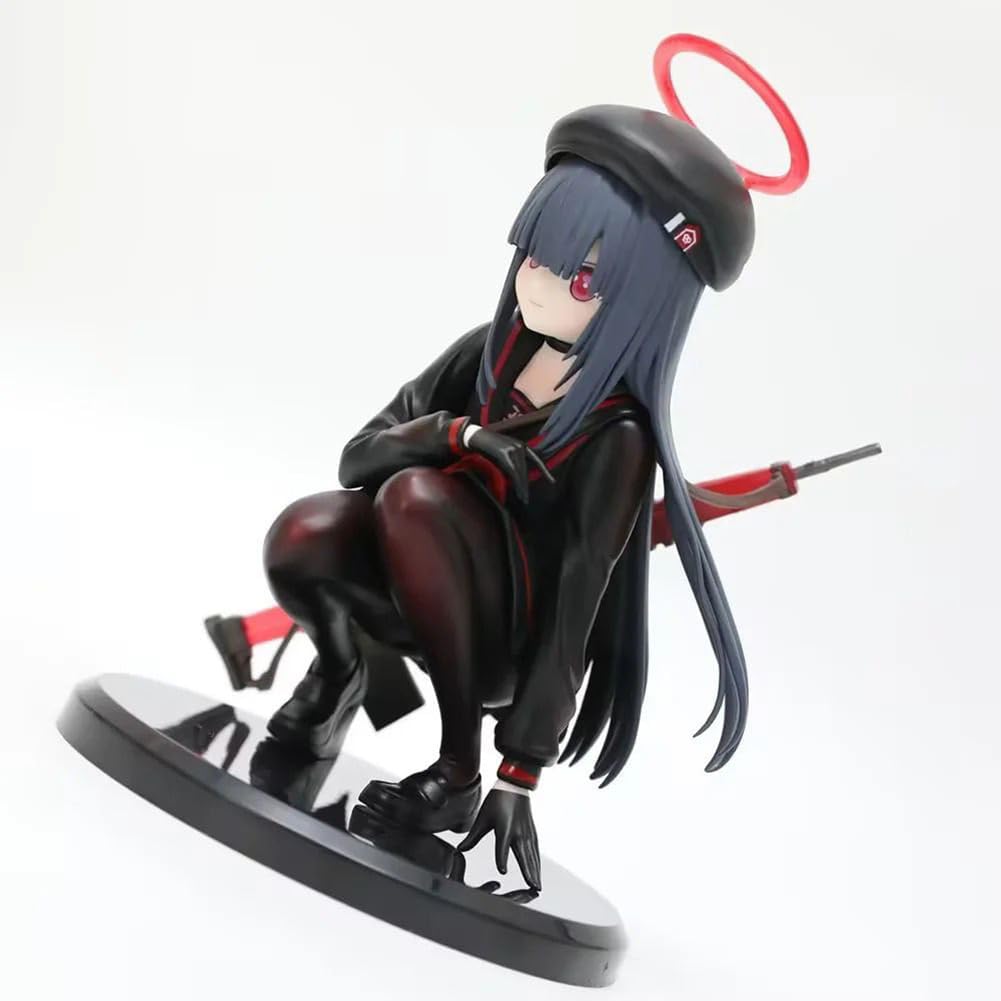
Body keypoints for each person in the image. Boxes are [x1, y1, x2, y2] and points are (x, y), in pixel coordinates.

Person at [260, 105, 757, 890]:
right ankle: (340, 672)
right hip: (407, 587)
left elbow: (575, 606)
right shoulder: (486, 354)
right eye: (533, 254)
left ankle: (455, 767)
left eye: (581, 276)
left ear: (644, 299)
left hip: (498, 647)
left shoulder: (616, 436)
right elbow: (357, 457)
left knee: (416, 498)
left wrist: (517, 771)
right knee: (305, 531)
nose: (540, 284)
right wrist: (455, 432)